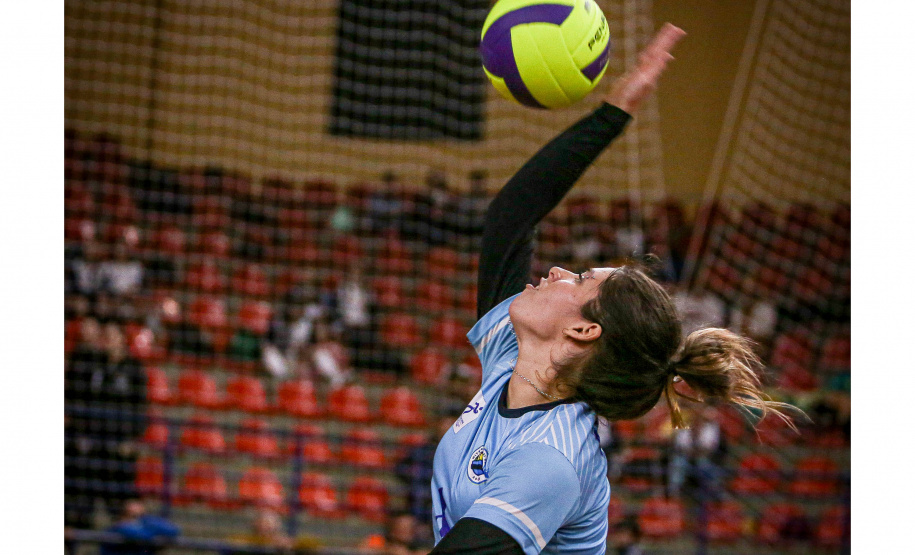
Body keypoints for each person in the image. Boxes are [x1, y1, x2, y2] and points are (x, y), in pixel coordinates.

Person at [428, 25, 797, 555]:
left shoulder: (548, 459)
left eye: (578, 279)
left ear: (583, 330)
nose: (555, 270)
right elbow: (512, 217)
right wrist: (613, 111)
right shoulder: (515, 359)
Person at [99, 498, 180, 555]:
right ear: (123, 515)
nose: (137, 520)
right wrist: (148, 527)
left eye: (141, 516)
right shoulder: (116, 529)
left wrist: (145, 518)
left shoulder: (144, 524)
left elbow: (172, 530)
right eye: (133, 516)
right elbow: (141, 536)